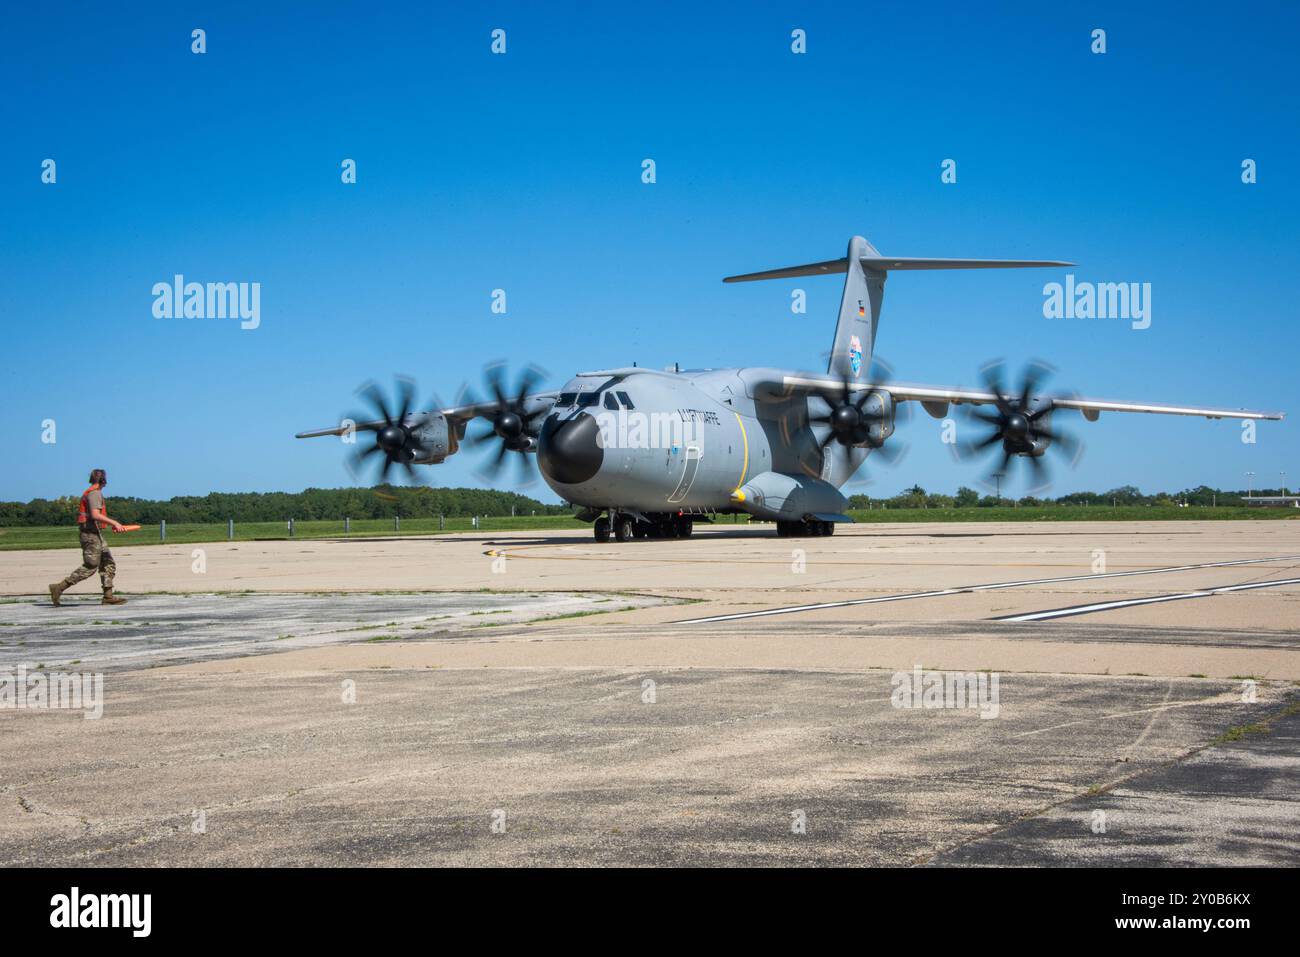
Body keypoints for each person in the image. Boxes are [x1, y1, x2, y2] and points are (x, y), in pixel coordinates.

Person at [49, 468, 127, 606]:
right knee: (91, 566)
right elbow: (95, 515)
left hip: (95, 534)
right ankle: (59, 588)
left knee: (108, 563)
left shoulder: (93, 492)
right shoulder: (94, 494)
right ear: (103, 480)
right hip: (90, 535)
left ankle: (108, 596)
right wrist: (115, 522)